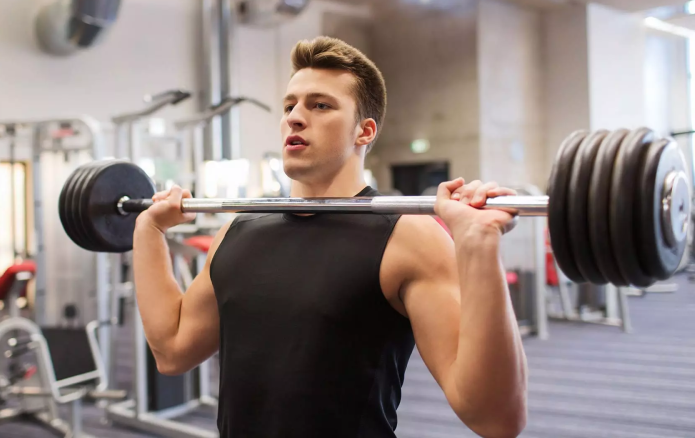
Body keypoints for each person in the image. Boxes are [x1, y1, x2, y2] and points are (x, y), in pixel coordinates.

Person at [133, 36, 528, 438]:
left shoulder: (408, 238)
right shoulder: (238, 229)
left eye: (320, 105)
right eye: (290, 106)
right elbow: (173, 349)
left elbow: (495, 418)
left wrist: (479, 246)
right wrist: (148, 229)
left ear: (364, 131)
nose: (295, 117)